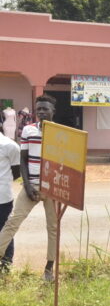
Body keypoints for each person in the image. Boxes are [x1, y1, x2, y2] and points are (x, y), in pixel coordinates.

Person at [0, 95, 59, 281]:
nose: (41, 112)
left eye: (45, 109)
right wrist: (27, 186)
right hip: (31, 185)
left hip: (53, 188)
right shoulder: (28, 130)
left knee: (53, 228)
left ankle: (49, 268)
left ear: (53, 112)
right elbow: (23, 161)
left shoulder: (62, 133)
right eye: (39, 109)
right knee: (12, 222)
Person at [0, 131, 20, 268]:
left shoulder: (10, 146)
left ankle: (6, 265)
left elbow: (16, 172)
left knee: (5, 230)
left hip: (3, 198)